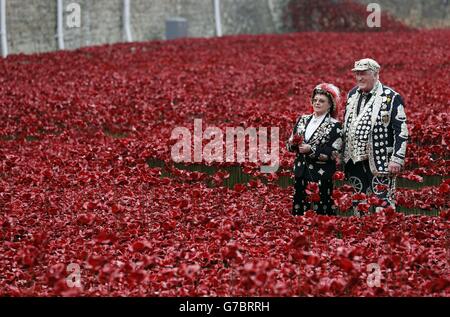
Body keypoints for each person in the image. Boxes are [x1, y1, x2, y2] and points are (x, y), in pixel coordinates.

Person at [342, 58, 409, 214]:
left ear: (376, 74)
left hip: (381, 161)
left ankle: (385, 235)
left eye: (363, 74)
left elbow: (401, 131)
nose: (359, 78)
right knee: (359, 201)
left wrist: (396, 158)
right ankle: (361, 235)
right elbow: (347, 124)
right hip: (354, 161)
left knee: (383, 202)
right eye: (357, 74)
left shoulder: (391, 97)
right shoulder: (352, 94)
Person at [287, 83, 343, 216]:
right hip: (301, 173)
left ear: (330, 105)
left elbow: (334, 152)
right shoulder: (302, 120)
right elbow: (289, 143)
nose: (317, 103)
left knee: (321, 213)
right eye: (315, 100)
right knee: (299, 212)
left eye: (322, 101)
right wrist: (294, 145)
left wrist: (311, 150)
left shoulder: (335, 126)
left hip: (321, 176)